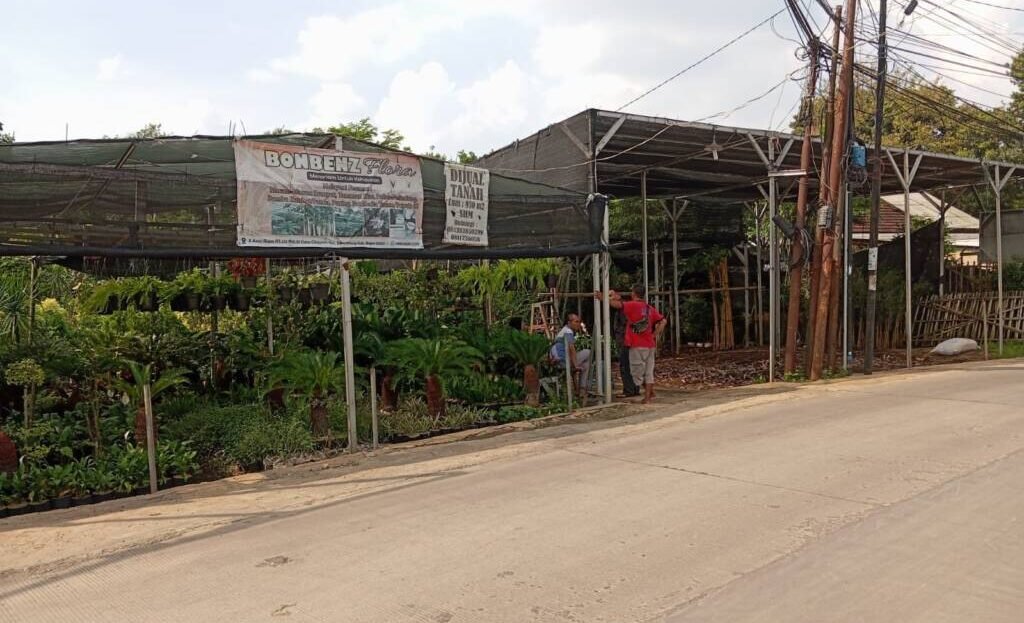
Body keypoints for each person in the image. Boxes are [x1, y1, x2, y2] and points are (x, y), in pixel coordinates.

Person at [599, 285, 666, 404]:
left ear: (633, 293)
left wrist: (604, 298)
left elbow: (618, 305)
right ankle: (648, 395)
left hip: (637, 344)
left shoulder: (632, 305)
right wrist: (654, 335)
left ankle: (648, 394)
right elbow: (663, 321)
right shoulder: (648, 308)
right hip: (649, 345)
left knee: (636, 373)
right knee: (648, 371)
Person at [550, 313, 592, 401]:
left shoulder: (564, 331)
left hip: (561, 360)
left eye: (579, 322)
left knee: (585, 365)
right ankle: (582, 389)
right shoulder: (568, 331)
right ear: (569, 322)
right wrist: (575, 365)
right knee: (587, 352)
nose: (578, 324)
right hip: (563, 361)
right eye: (576, 321)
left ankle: (580, 390)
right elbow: (571, 348)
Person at [612, 295, 640, 398]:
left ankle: (629, 390)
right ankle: (634, 388)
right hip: (631, 340)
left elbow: (624, 325)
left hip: (626, 341)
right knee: (631, 365)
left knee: (625, 365)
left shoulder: (624, 310)